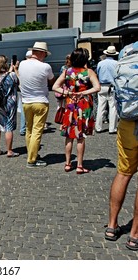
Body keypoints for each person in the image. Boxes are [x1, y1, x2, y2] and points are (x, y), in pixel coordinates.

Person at [105, 41, 138, 251]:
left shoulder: (128, 50)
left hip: (127, 122)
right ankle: (135, 234)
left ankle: (111, 225)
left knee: (123, 173)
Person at [52, 48, 100, 174]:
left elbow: (55, 87)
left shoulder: (67, 71)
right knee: (80, 136)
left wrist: (68, 92)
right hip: (84, 105)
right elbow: (97, 87)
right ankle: (79, 165)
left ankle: (67, 163)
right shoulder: (88, 72)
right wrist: (84, 92)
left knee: (69, 135)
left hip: (71, 105)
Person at [18, 42, 54, 168]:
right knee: (37, 131)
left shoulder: (22, 64)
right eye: (45, 54)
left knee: (29, 130)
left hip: (26, 102)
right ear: (41, 53)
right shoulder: (45, 66)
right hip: (40, 101)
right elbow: (51, 79)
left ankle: (31, 154)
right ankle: (32, 159)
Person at [0, 55, 19, 157]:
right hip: (9, 103)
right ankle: (9, 151)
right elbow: (18, 82)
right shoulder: (11, 75)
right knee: (9, 126)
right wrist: (14, 70)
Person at [95, 46, 119, 134]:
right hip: (112, 86)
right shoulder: (117, 63)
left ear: (106, 53)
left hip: (101, 86)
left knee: (101, 107)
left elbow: (97, 73)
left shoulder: (100, 63)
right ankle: (112, 128)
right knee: (113, 107)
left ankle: (98, 127)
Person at [17, 50, 32, 136]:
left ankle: (23, 128)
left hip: (23, 89)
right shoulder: (33, 65)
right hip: (30, 90)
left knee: (24, 109)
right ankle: (27, 128)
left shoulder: (22, 65)